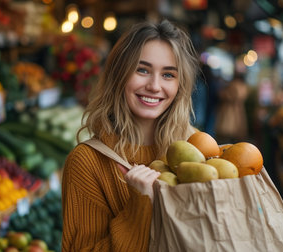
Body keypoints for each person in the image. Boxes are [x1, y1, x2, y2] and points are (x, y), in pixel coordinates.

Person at [61, 19, 200, 251]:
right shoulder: (87, 163)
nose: (155, 86)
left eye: (168, 75)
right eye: (142, 70)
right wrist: (138, 209)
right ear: (119, 75)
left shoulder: (193, 147)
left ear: (180, 85)